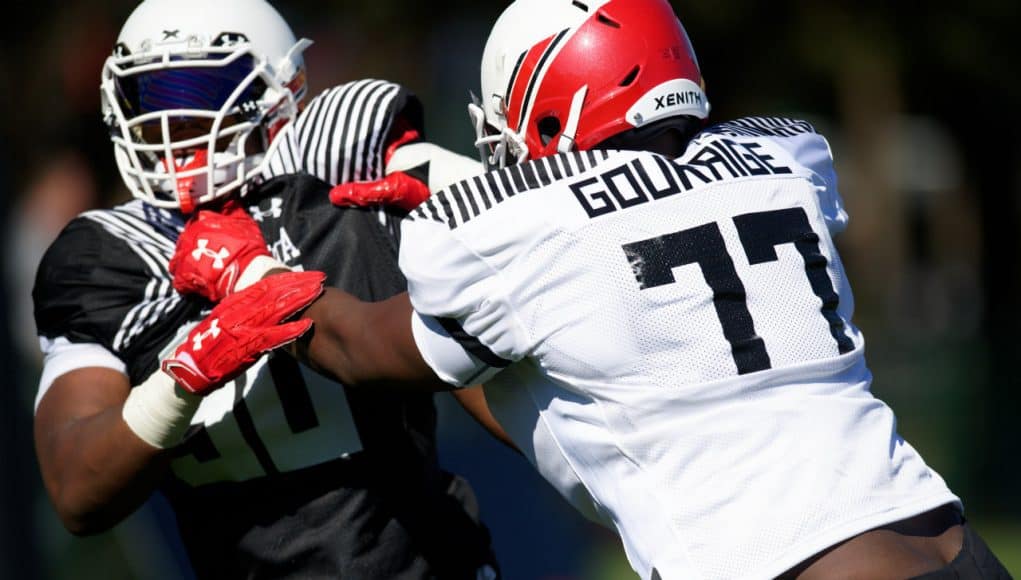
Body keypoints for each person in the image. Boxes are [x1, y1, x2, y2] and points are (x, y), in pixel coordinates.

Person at [171, 0, 1014, 579]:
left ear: (549, 108)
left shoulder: (521, 231)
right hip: (951, 545)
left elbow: (362, 348)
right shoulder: (786, 158)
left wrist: (251, 271)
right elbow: (570, 348)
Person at [31, 0, 502, 578]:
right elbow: (77, 488)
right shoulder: (110, 254)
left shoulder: (345, 173)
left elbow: (476, 355)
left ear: (281, 88)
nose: (170, 123)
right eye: (150, 97)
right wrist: (178, 384)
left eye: (199, 90)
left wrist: (461, 206)